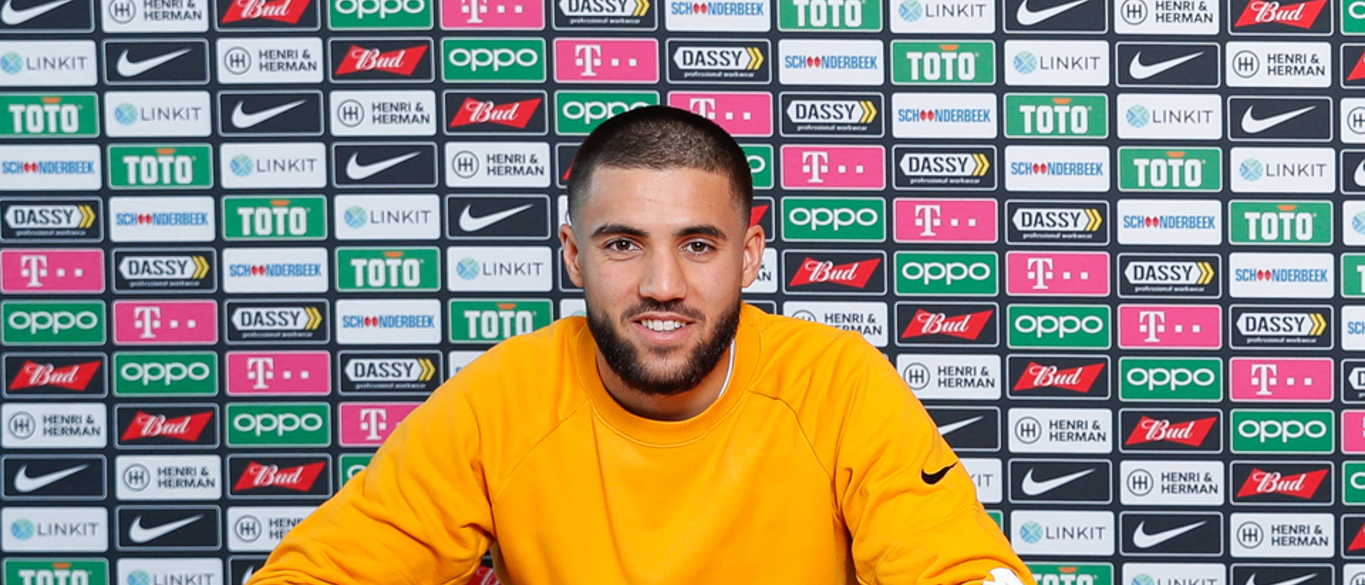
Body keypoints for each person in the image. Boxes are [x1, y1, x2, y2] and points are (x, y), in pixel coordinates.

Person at [246, 106, 1033, 585]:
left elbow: (954, 564)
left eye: (698, 245)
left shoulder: (837, 382)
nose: (662, 285)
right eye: (623, 244)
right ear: (573, 255)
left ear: (749, 256)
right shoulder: (503, 396)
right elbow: (324, 569)